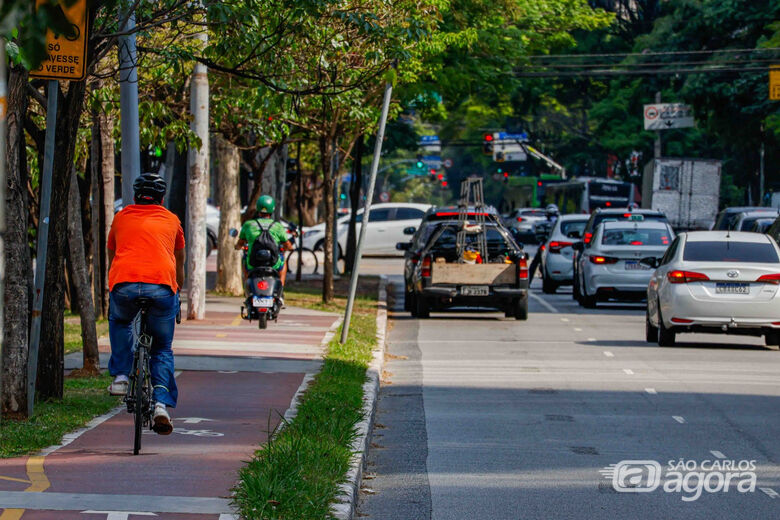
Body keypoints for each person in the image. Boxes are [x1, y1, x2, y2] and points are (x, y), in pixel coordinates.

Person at [106, 173, 185, 435]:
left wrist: (115, 282)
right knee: (161, 348)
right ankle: (161, 405)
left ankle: (120, 377)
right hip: (162, 286)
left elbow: (113, 252)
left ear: (135, 195)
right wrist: (178, 287)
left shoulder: (121, 217)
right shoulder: (172, 220)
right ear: (162, 199)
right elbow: (179, 260)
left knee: (120, 320)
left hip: (124, 285)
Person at [235, 195, 293, 287]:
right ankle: (280, 288)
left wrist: (237, 246)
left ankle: (247, 285)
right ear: (272, 209)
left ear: (257, 208)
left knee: (245, 260)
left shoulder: (248, 225)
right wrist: (288, 247)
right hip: (274, 264)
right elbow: (287, 244)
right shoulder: (277, 226)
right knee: (283, 261)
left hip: (253, 263)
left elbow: (240, 242)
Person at [528, 204, 560, 284]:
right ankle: (528, 282)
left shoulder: (556, 222)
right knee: (535, 263)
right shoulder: (554, 222)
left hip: (551, 245)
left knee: (534, 264)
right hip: (548, 245)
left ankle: (528, 282)